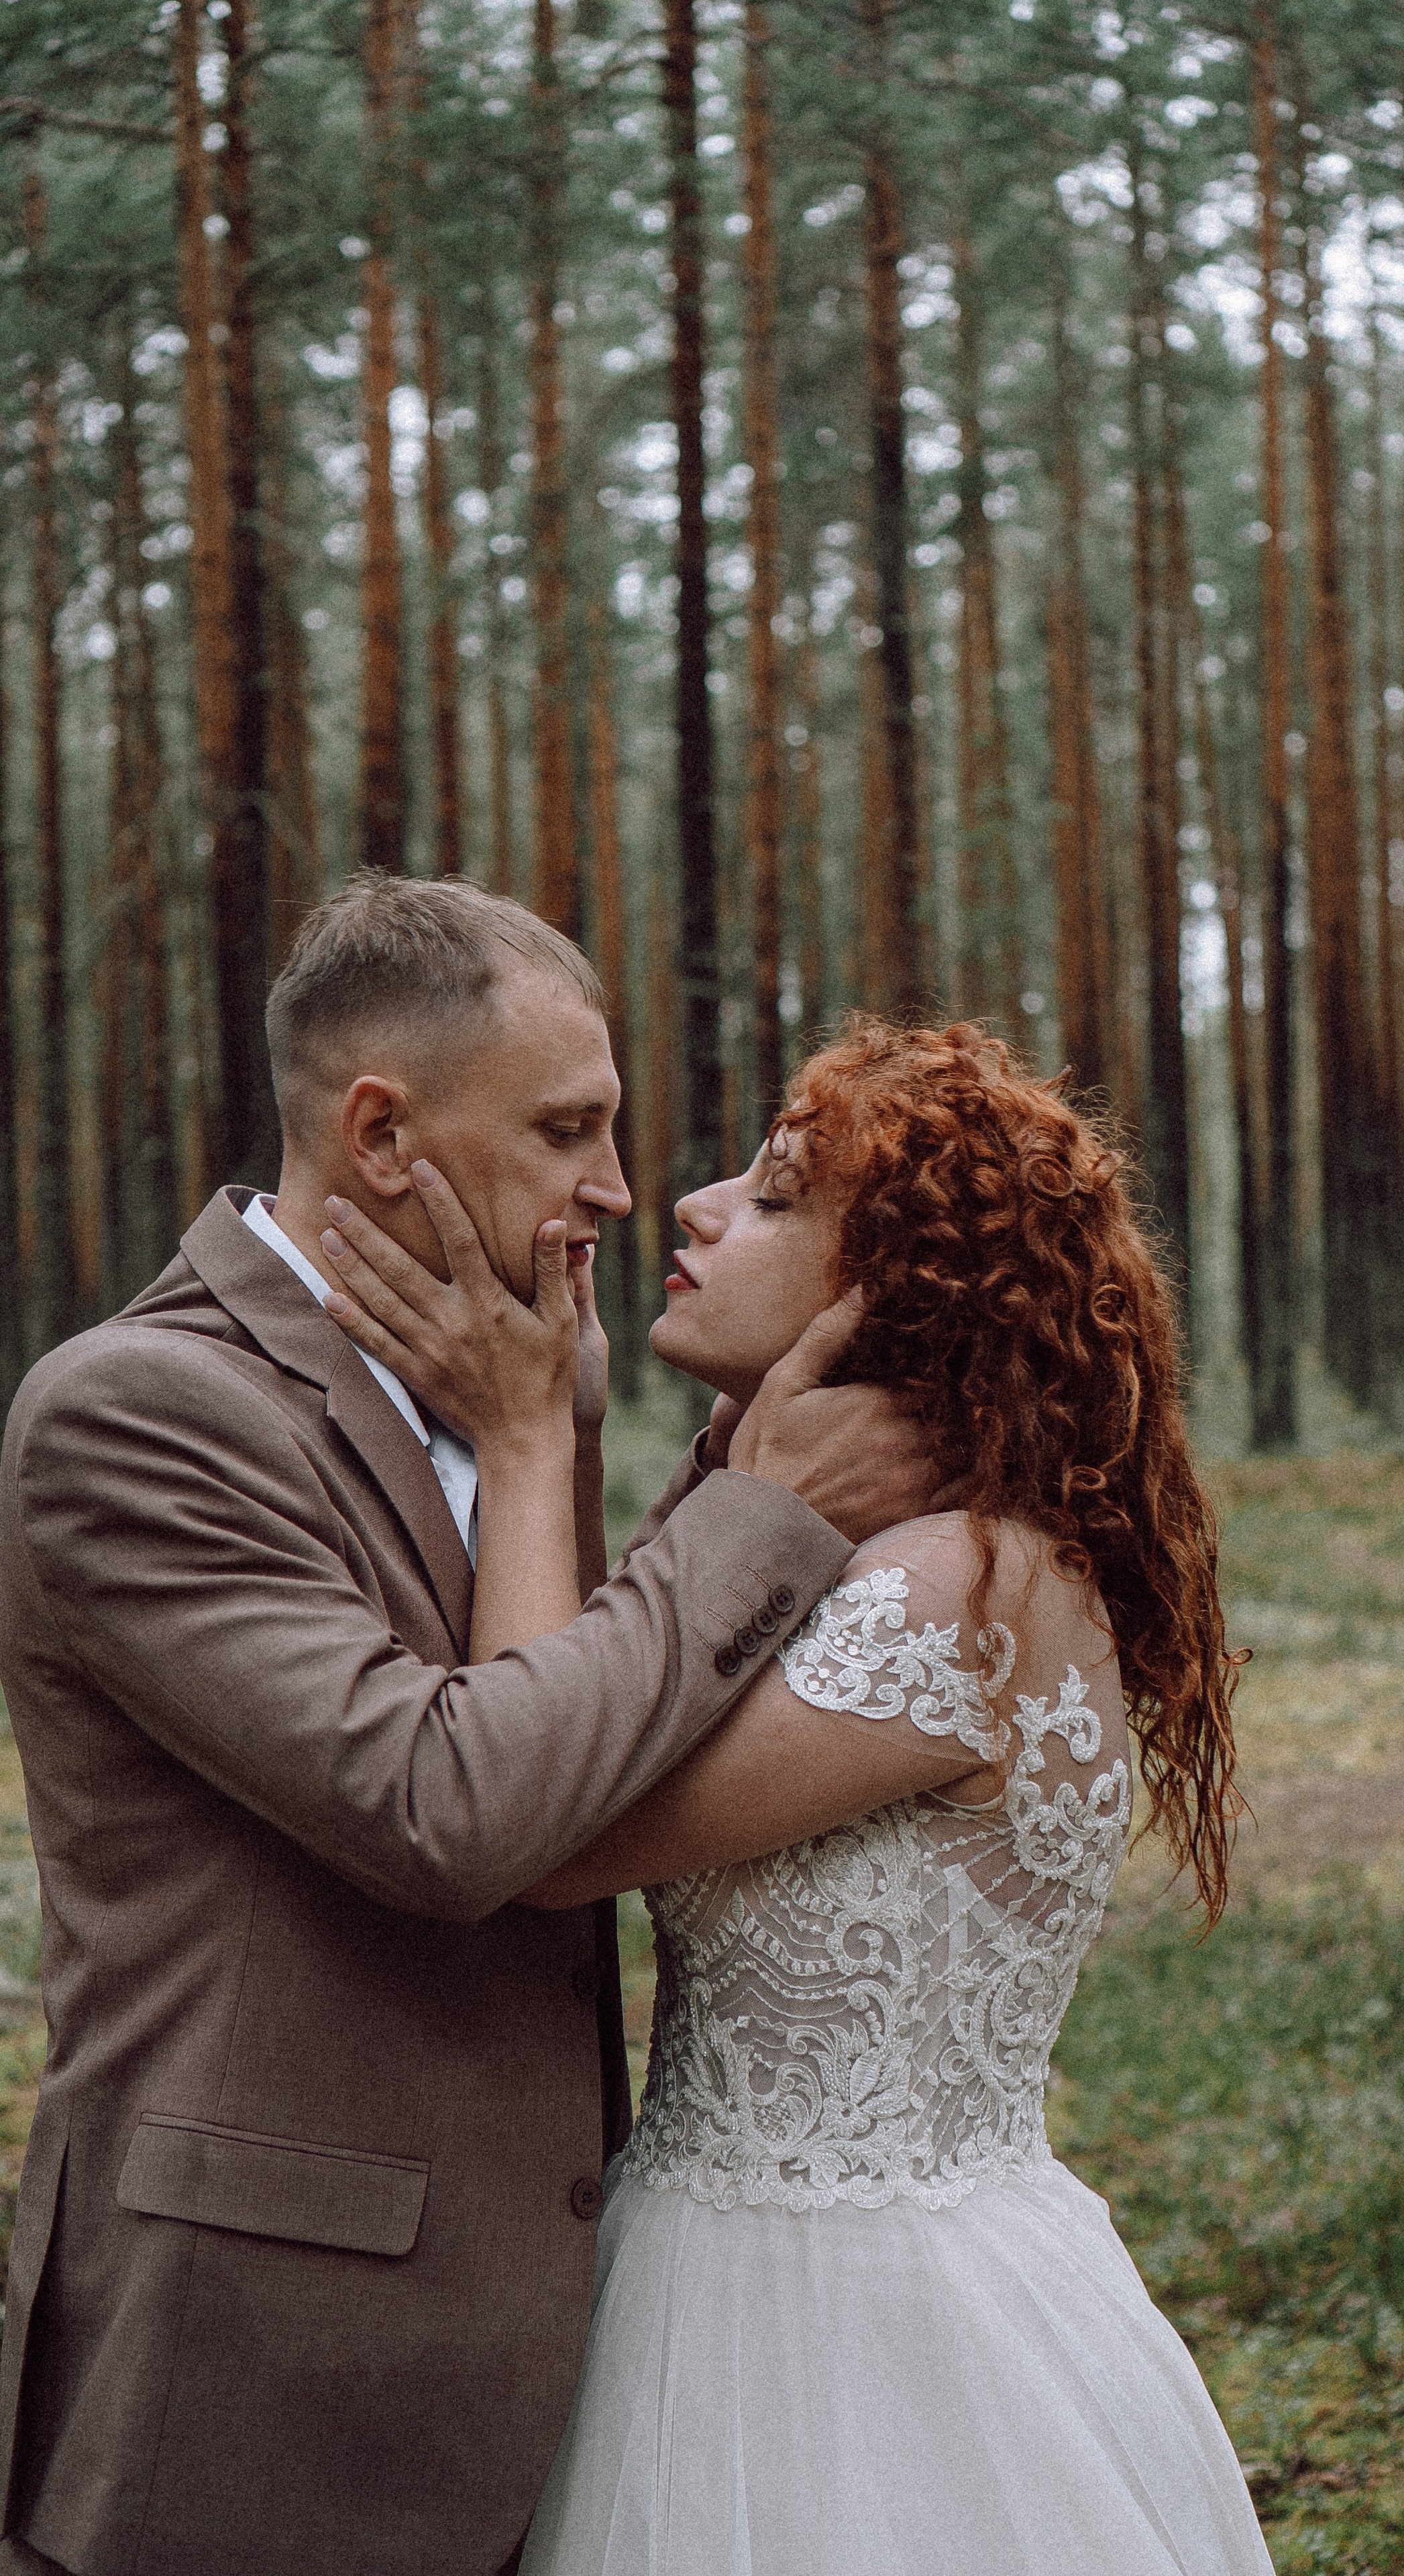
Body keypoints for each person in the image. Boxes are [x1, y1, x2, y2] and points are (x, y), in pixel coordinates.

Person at [0, 875, 939, 2576]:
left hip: (543, 2363)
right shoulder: (134, 1415)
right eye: (567, 1127)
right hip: (256, 2381)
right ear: (380, 1134)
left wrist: (611, 1463)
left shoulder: (510, 1374)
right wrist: (740, 1509)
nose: (615, 1186)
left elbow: (581, 1717)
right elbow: (450, 1808)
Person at [323, 1017, 1276, 2576]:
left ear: (888, 1293)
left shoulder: (949, 1585)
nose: (690, 1206)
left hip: (847, 2325)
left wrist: (518, 1433)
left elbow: (541, 1820)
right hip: (728, 2258)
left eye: (772, 1199)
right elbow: (613, 1698)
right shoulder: (905, 1556)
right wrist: (733, 1482)